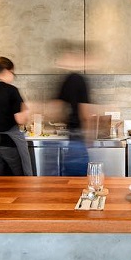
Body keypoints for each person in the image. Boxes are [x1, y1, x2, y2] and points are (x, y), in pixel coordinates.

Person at [53, 41, 92, 176]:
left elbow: (57, 108)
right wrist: (89, 136)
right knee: (79, 178)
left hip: (72, 136)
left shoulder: (66, 80)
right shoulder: (79, 79)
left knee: (70, 177)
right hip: (79, 137)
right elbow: (84, 113)